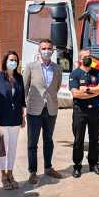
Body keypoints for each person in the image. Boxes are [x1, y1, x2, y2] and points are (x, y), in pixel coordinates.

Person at [23, 39, 63, 184]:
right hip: (34, 110)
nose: (46, 50)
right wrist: (23, 108)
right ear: (39, 51)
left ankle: (48, 167)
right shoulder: (30, 67)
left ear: (52, 50)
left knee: (49, 140)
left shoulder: (58, 68)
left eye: (49, 48)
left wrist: (49, 100)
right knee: (32, 143)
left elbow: (56, 87)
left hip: (51, 110)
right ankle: (32, 171)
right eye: (44, 48)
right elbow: (25, 88)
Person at [0, 51, 26, 190]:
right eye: (11, 59)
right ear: (5, 61)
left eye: (16, 60)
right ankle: (2, 174)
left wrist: (22, 116)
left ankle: (10, 172)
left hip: (16, 117)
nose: (13, 62)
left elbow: (22, 98)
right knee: (2, 147)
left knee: (13, 146)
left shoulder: (19, 78)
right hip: (2, 118)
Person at [69, 49, 99, 178]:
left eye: (90, 56)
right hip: (80, 110)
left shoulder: (97, 73)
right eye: (85, 57)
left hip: (94, 110)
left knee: (94, 139)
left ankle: (93, 164)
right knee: (78, 140)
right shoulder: (75, 74)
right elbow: (76, 93)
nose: (88, 58)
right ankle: (77, 166)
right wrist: (95, 91)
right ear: (80, 59)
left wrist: (86, 89)